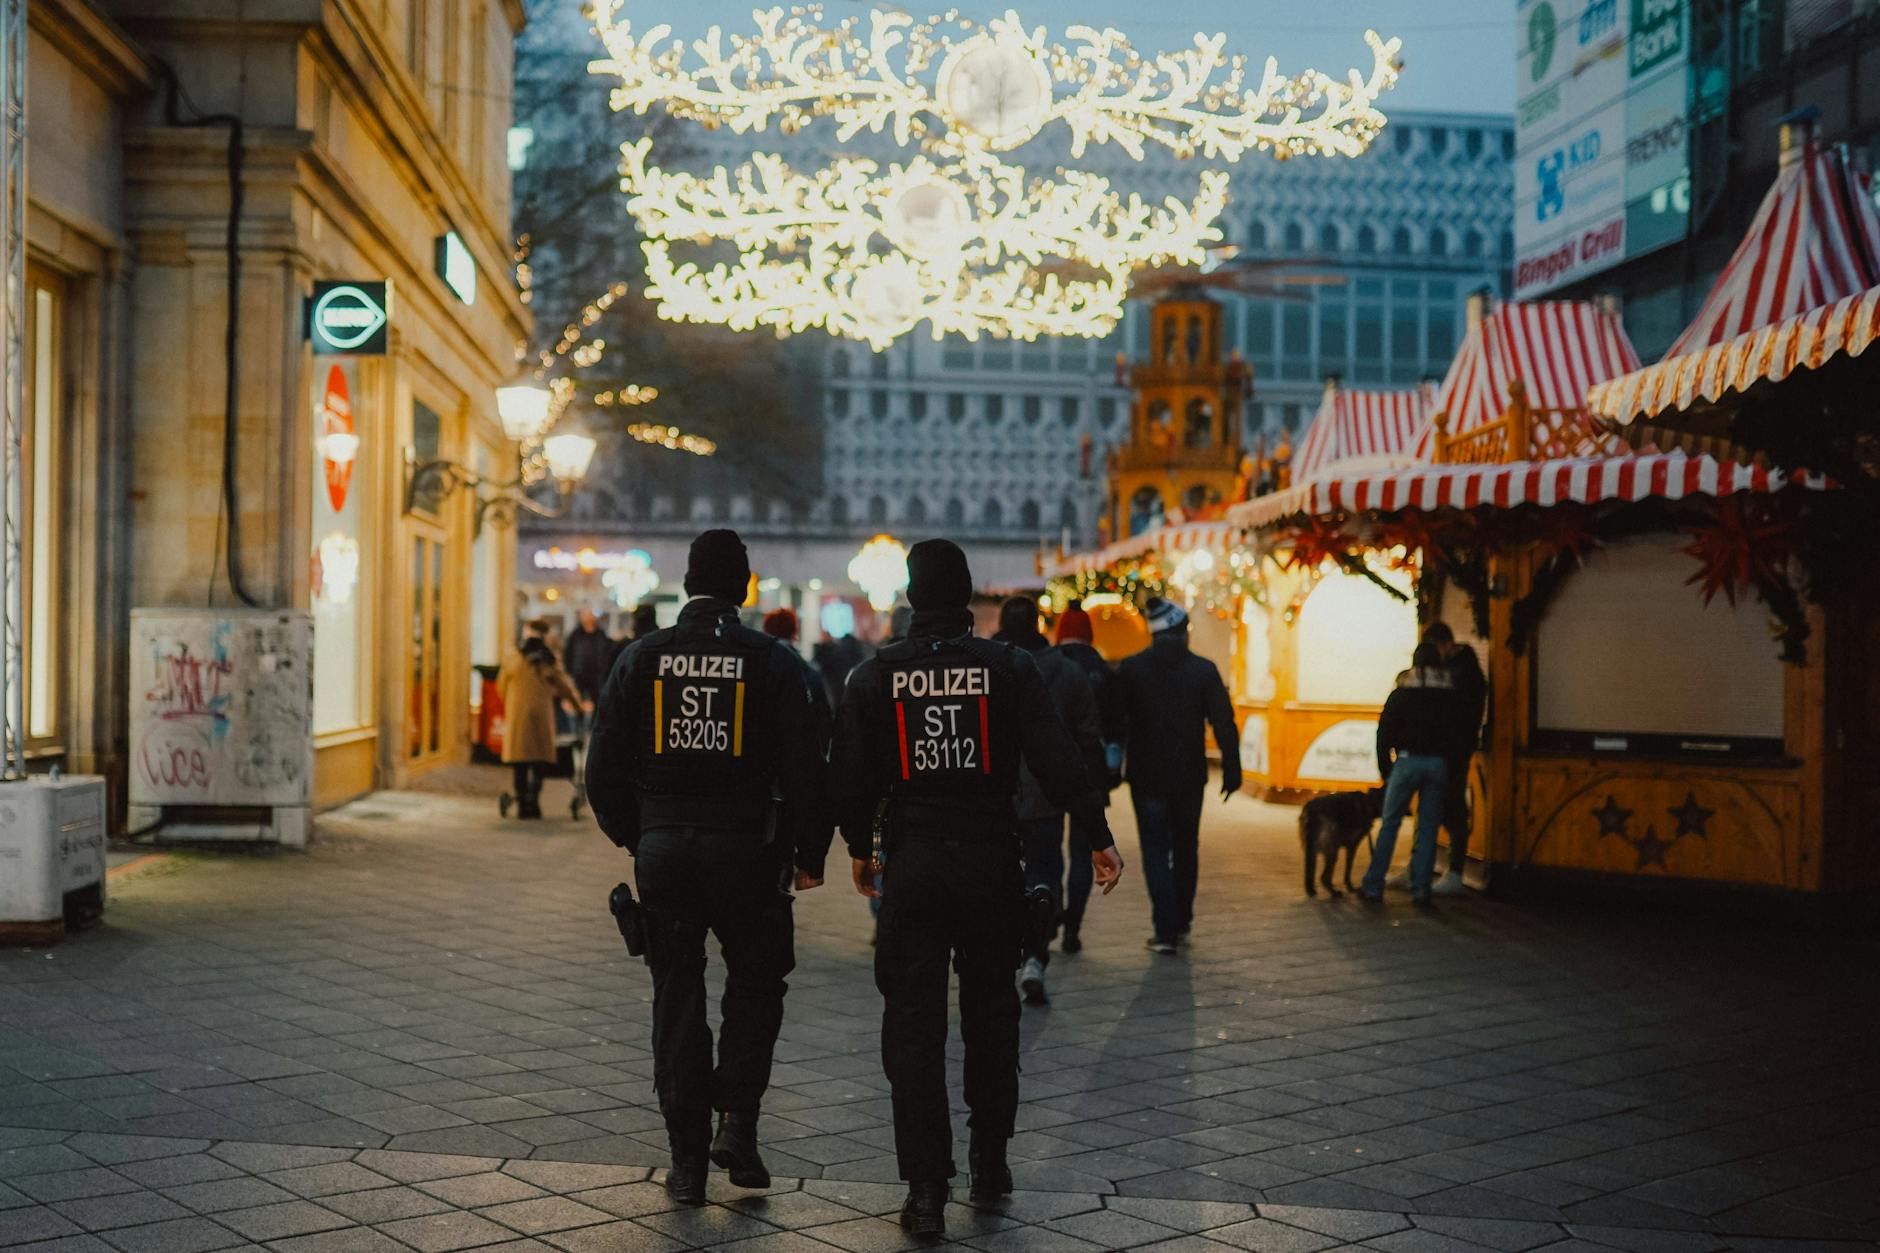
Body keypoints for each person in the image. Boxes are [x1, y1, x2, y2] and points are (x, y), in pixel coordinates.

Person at [831, 540, 1124, 1237]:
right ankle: (990, 1161)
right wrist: (1096, 832)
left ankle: (927, 1188)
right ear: (965, 596)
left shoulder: (880, 674)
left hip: (917, 861)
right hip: (992, 860)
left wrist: (856, 848)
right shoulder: (1008, 667)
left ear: (910, 594)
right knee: (992, 1017)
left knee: (913, 1023)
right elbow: (1058, 757)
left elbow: (850, 773)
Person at [587, 530, 833, 1206]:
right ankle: (739, 1121)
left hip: (666, 849)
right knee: (757, 984)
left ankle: (687, 1158)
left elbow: (601, 768)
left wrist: (639, 836)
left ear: (687, 580)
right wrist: (809, 854)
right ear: (745, 587)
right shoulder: (772, 662)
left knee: (677, 992)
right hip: (749, 851)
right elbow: (807, 769)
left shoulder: (644, 658)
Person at [992, 597, 1105, 1007]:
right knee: (1044, 872)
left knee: (998, 877)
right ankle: (1036, 958)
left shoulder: (985, 666)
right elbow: (1089, 736)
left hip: (996, 797)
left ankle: (1005, 955)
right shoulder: (1066, 671)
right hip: (1048, 794)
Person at [1117, 596, 1242, 955]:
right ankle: (1183, 919)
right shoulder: (1203, 670)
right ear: (1179, 630)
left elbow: (1115, 719)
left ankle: (1165, 929)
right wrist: (1231, 770)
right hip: (1189, 775)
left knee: (1155, 851)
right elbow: (1224, 723)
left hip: (1146, 776)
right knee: (1186, 847)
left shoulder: (1132, 669)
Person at [1052, 602, 1127, 954]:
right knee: (1083, 854)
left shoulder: (1044, 665)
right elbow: (1114, 726)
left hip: (1046, 776)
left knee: (1048, 853)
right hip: (1089, 776)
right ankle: (1073, 929)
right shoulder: (1103, 670)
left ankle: (1047, 918)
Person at [1362, 641, 1460, 906]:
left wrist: (1386, 769)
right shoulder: (1448, 695)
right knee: (1428, 828)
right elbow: (1456, 734)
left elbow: (1384, 731)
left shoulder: (1402, 693)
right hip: (1437, 763)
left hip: (1406, 761)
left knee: (1390, 823)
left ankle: (1373, 884)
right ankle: (1421, 888)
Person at [1422, 622, 1486, 895]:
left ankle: (1455, 870)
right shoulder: (1462, 668)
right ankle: (1428, 867)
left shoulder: (1462, 671)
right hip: (1448, 748)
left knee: (1453, 806)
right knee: (1437, 806)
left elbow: (1458, 711)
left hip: (1455, 749)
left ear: (1445, 644)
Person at [498, 618, 580, 819]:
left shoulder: (513, 657)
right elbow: (564, 686)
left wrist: (512, 702)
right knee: (539, 761)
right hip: (541, 716)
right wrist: (577, 706)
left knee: (520, 762)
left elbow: (501, 685)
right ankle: (534, 802)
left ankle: (521, 802)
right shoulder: (549, 659)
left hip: (518, 715)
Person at [562, 608, 614, 708]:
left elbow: (607, 653)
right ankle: (578, 721)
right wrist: (569, 671)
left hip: (597, 675)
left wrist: (604, 670)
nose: (587, 617)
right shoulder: (575, 635)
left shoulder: (601, 635)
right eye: (584, 615)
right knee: (576, 702)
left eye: (589, 615)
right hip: (578, 674)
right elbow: (568, 653)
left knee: (598, 702)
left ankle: (595, 722)